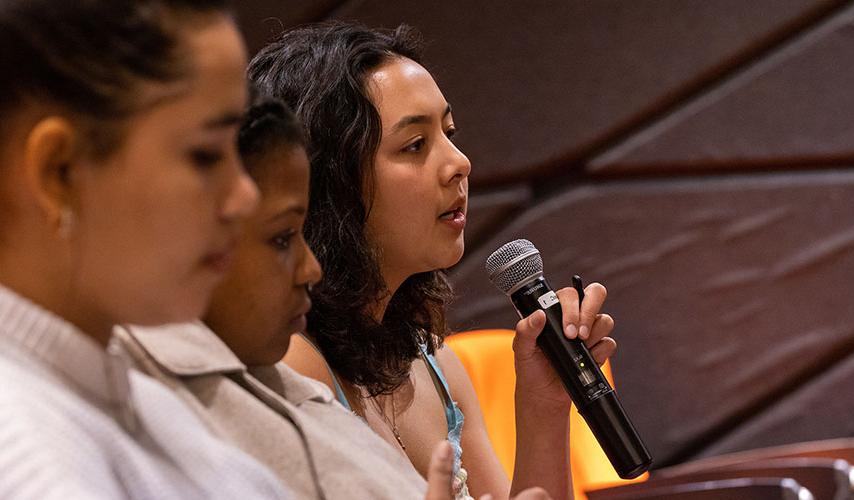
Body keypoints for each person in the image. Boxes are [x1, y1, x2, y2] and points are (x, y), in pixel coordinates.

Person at [249, 22, 617, 500]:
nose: (459, 163)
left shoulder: (436, 361)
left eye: (449, 132)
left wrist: (544, 408)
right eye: (415, 145)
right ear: (330, 181)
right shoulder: (292, 363)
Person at [0, 1, 293, 498]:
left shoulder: (133, 400)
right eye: (205, 155)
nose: (245, 197)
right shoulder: (35, 464)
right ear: (59, 171)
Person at [115, 97, 474, 500]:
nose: (309, 268)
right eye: (282, 238)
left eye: (450, 132)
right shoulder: (273, 373)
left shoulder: (278, 383)